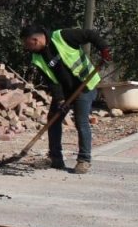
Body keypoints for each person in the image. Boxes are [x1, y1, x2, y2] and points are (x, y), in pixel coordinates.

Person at [21, 25, 111, 174]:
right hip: (65, 91)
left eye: (26, 43)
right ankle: (56, 158)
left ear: (35, 40)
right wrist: (60, 100)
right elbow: (51, 81)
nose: (26, 47)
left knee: (81, 121)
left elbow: (90, 34)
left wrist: (104, 49)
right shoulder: (37, 57)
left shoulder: (63, 36)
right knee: (54, 119)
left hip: (85, 85)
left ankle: (84, 160)